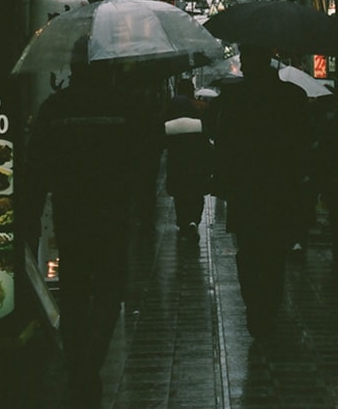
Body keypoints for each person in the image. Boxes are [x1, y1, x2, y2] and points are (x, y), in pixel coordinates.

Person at [16, 40, 162, 408]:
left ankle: (79, 360)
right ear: (107, 66)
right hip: (113, 210)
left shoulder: (56, 106)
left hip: (71, 212)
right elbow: (149, 152)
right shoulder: (128, 105)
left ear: (74, 68)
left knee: (76, 290)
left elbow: (37, 166)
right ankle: (90, 361)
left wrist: (30, 215)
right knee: (111, 288)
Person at [205, 44, 312, 339]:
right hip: (281, 185)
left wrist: (222, 178)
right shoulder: (292, 96)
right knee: (275, 251)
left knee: (250, 250)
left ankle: (256, 307)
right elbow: (303, 140)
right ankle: (269, 305)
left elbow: (223, 138)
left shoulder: (235, 97)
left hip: (246, 185)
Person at [163, 76, 212, 237]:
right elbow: (207, 133)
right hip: (197, 157)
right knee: (196, 191)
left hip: (177, 158)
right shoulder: (200, 108)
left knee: (180, 192)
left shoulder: (171, 107)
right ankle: (193, 220)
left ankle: (183, 220)